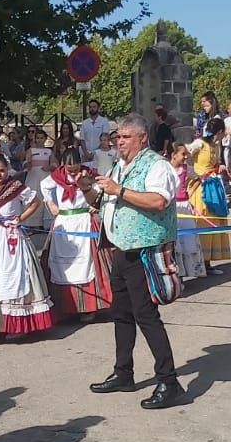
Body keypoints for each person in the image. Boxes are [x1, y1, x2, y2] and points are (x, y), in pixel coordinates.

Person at [86, 116, 185, 409]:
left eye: (126, 137)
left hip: (145, 249)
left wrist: (120, 191)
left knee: (146, 315)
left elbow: (158, 201)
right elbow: (104, 201)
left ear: (142, 138)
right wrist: (86, 188)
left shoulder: (157, 165)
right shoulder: (120, 166)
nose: (119, 141)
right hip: (121, 248)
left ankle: (169, 380)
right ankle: (123, 372)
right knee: (122, 313)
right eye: (118, 137)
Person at [0, 155, 54, 338]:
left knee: (16, 274)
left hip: (12, 235)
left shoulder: (15, 188)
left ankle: (17, 324)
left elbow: (35, 202)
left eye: (2, 170)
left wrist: (20, 219)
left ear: (7, 169)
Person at [40, 148, 113, 320]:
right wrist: (50, 203)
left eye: (74, 168)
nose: (72, 172)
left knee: (89, 264)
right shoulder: (56, 177)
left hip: (84, 222)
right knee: (60, 266)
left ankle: (89, 307)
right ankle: (64, 306)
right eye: (68, 168)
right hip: (64, 223)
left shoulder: (89, 175)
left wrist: (96, 204)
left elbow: (101, 190)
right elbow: (44, 186)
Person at [183, 118, 231, 268]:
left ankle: (208, 261)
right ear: (220, 132)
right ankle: (201, 261)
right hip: (200, 185)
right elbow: (185, 152)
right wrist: (190, 173)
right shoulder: (199, 143)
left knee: (214, 218)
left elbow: (214, 163)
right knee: (203, 219)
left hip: (213, 184)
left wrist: (219, 167)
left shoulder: (216, 146)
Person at [168, 144, 208, 283]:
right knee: (176, 240)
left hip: (184, 205)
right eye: (183, 154)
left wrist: (190, 192)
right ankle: (177, 274)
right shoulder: (166, 169)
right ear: (173, 155)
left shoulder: (186, 169)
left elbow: (198, 178)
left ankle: (190, 269)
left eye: (186, 154)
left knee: (188, 238)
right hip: (172, 207)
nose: (185, 157)